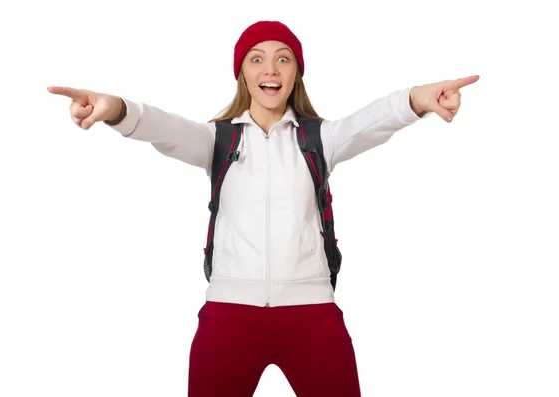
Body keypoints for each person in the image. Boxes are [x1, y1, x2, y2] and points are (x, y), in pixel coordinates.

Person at [48, 20, 479, 397]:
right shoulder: (217, 140)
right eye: (256, 59)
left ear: (297, 73)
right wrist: (116, 110)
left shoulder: (319, 140)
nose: (270, 69)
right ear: (242, 73)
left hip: (312, 317)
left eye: (283, 59)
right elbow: (164, 127)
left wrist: (417, 98)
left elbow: (370, 122)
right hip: (228, 317)